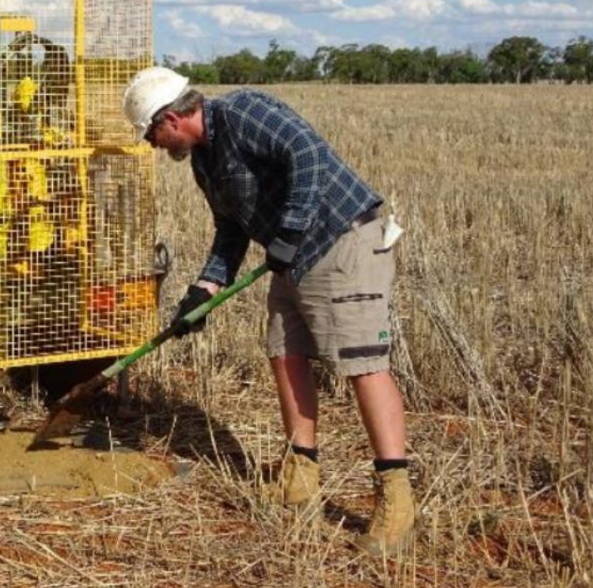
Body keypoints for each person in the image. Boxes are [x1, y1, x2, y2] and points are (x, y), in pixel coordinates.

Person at [123, 67, 414, 556]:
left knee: (363, 365)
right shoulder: (202, 161)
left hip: (341, 243)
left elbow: (308, 154)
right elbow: (231, 231)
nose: (152, 144)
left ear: (171, 118)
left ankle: (397, 500)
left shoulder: (243, 112)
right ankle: (300, 475)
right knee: (284, 352)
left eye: (151, 133)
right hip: (293, 257)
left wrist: (291, 231)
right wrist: (203, 290)